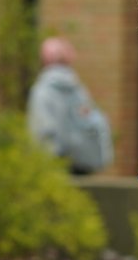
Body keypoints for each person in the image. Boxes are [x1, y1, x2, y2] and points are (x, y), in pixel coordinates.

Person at [28, 37, 114, 175]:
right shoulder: (78, 90)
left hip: (53, 167)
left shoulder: (42, 91)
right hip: (83, 165)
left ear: (44, 60)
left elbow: (41, 130)